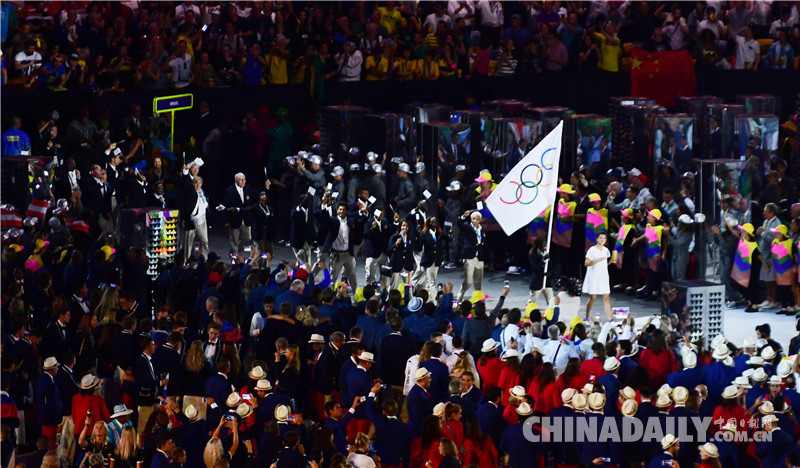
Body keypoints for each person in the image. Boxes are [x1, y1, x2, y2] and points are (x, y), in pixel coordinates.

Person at [457, 210, 486, 302]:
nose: (475, 221)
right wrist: (463, 216)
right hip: (469, 257)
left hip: (480, 257)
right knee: (468, 281)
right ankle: (460, 295)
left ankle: (478, 298)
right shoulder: (467, 227)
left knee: (478, 281)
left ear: (480, 220)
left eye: (477, 219)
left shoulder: (482, 230)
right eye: (473, 219)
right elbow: (459, 224)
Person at [582, 231, 613, 319]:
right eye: (600, 238)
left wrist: (611, 261)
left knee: (606, 298)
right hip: (594, 276)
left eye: (604, 238)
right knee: (593, 298)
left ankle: (610, 318)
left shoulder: (606, 250)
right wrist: (597, 260)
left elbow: (604, 263)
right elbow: (587, 263)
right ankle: (587, 316)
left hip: (603, 276)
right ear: (597, 239)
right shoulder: (592, 250)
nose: (602, 240)